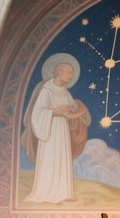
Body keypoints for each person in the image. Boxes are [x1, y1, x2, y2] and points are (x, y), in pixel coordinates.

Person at [21, 54, 90, 204]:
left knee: (63, 158)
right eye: (69, 72)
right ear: (59, 72)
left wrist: (79, 113)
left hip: (62, 130)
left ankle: (65, 192)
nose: (71, 76)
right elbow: (38, 112)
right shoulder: (46, 91)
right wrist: (54, 112)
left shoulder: (65, 92)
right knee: (51, 158)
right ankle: (45, 191)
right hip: (50, 130)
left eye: (72, 73)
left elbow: (69, 113)